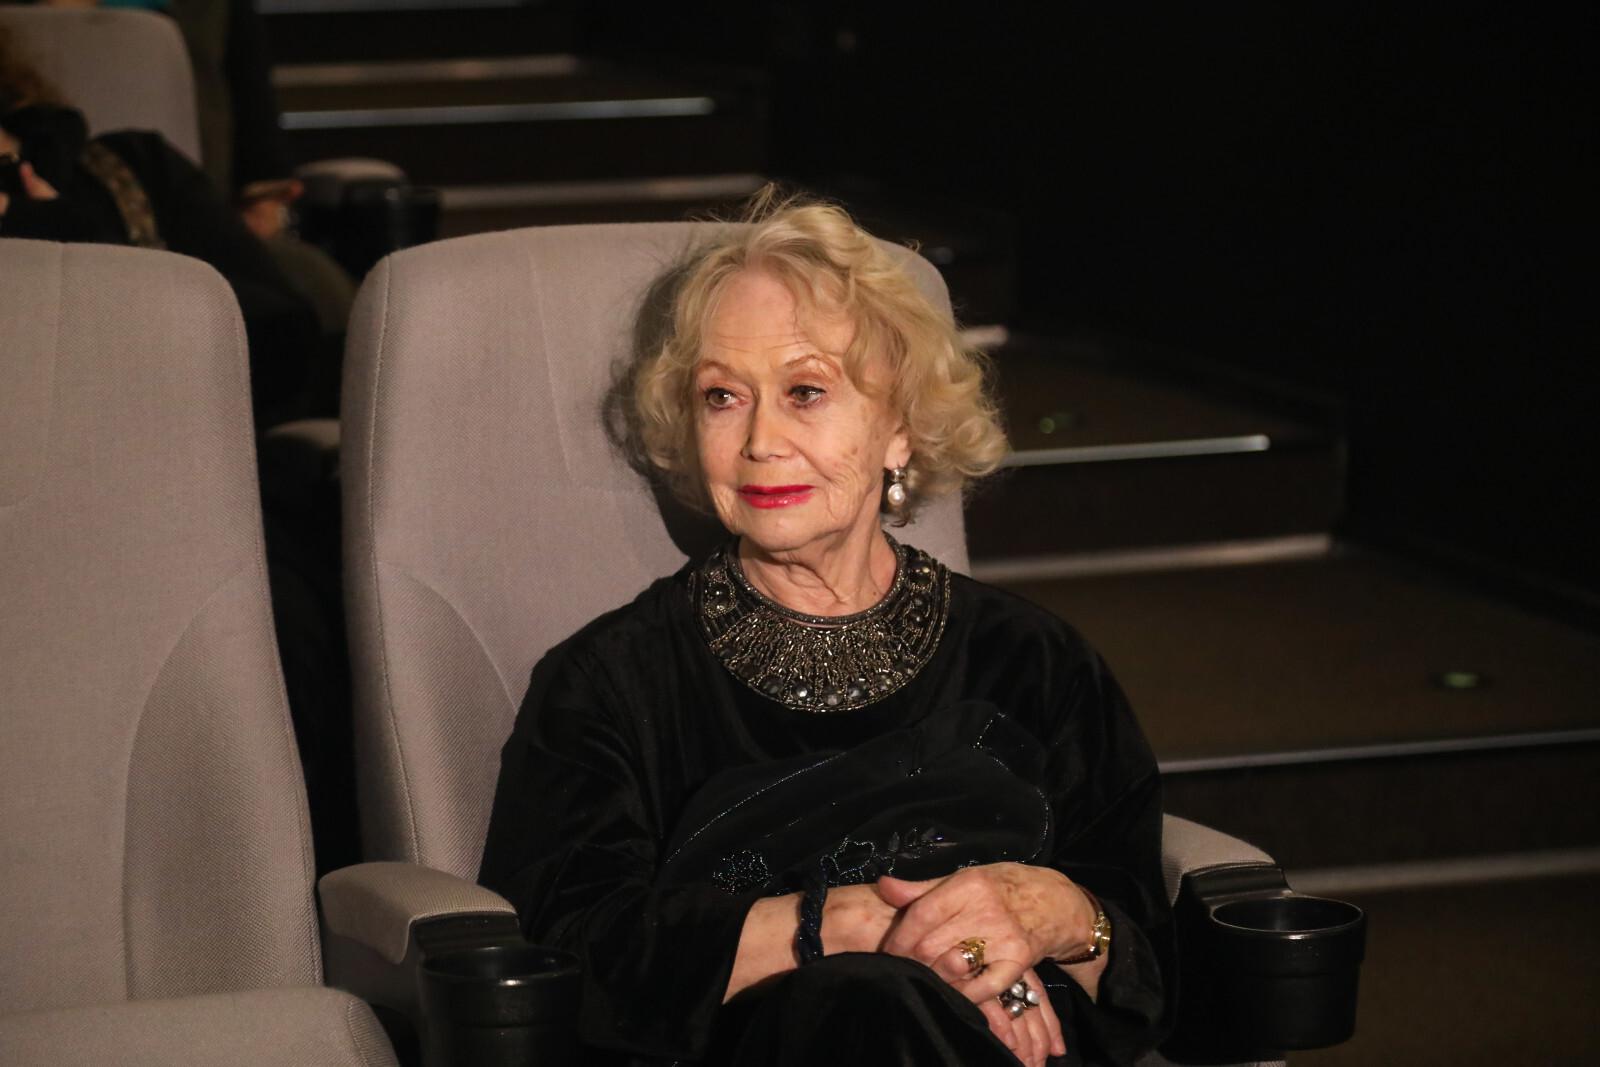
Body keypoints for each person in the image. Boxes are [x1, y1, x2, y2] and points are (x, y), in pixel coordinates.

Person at [478, 193, 1174, 1067]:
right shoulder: (609, 684)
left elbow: (1149, 955)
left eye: (806, 391)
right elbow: (563, 956)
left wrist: (1051, 917)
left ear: (900, 429)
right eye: (722, 396)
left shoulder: (1038, 663)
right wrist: (850, 925)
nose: (761, 438)